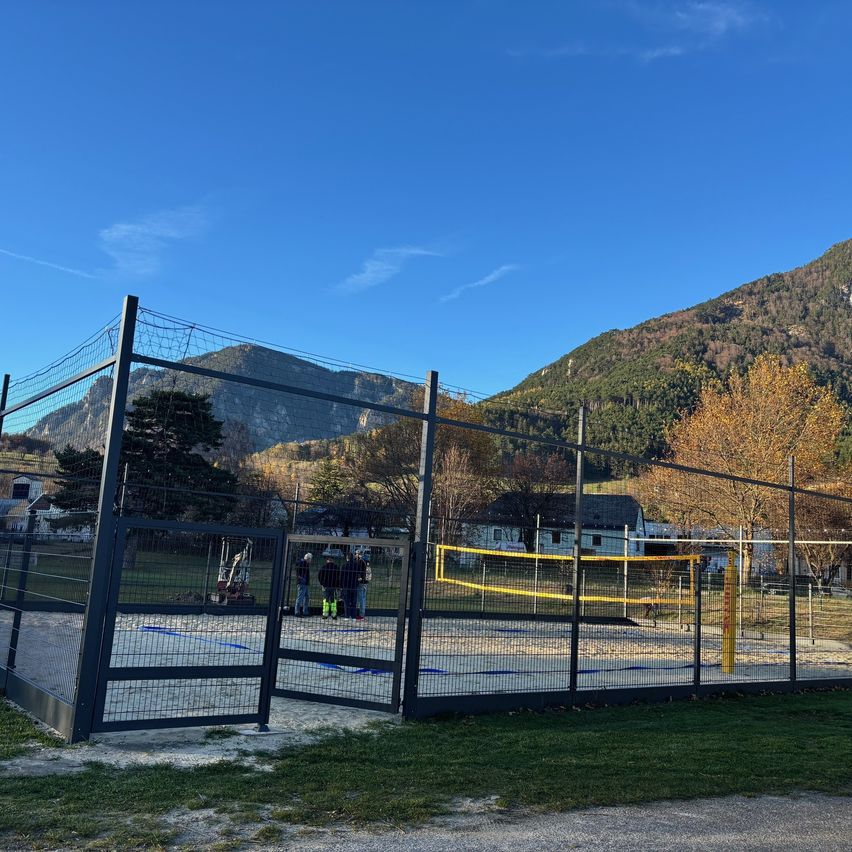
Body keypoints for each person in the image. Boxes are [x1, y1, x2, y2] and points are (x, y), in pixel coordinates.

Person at [318, 555, 341, 620]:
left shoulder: (324, 567)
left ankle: (325, 614)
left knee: (326, 600)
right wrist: (337, 585)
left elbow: (319, 576)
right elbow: (339, 577)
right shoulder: (336, 567)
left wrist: (322, 583)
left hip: (326, 586)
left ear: (327, 560)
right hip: (333, 586)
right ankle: (334, 614)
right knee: (333, 600)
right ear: (333, 560)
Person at [340, 552, 360, 620]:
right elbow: (358, 576)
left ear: (347, 558)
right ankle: (354, 616)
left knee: (346, 602)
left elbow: (341, 577)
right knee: (353, 602)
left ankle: (347, 616)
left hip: (346, 586)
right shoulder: (356, 565)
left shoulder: (344, 566)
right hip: (354, 585)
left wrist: (341, 586)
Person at [294, 552, 312, 617]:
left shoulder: (305, 563)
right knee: (300, 597)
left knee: (306, 597)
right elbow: (297, 570)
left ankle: (305, 611)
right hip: (302, 582)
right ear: (308, 559)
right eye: (310, 559)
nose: (311, 561)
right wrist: (301, 578)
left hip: (305, 582)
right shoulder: (302, 563)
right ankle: (297, 612)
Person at [356, 557, 371, 621]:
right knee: (364, 599)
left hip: (361, 583)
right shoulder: (366, 562)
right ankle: (362, 614)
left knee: (360, 599)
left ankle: (361, 615)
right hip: (366, 582)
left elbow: (359, 572)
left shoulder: (360, 562)